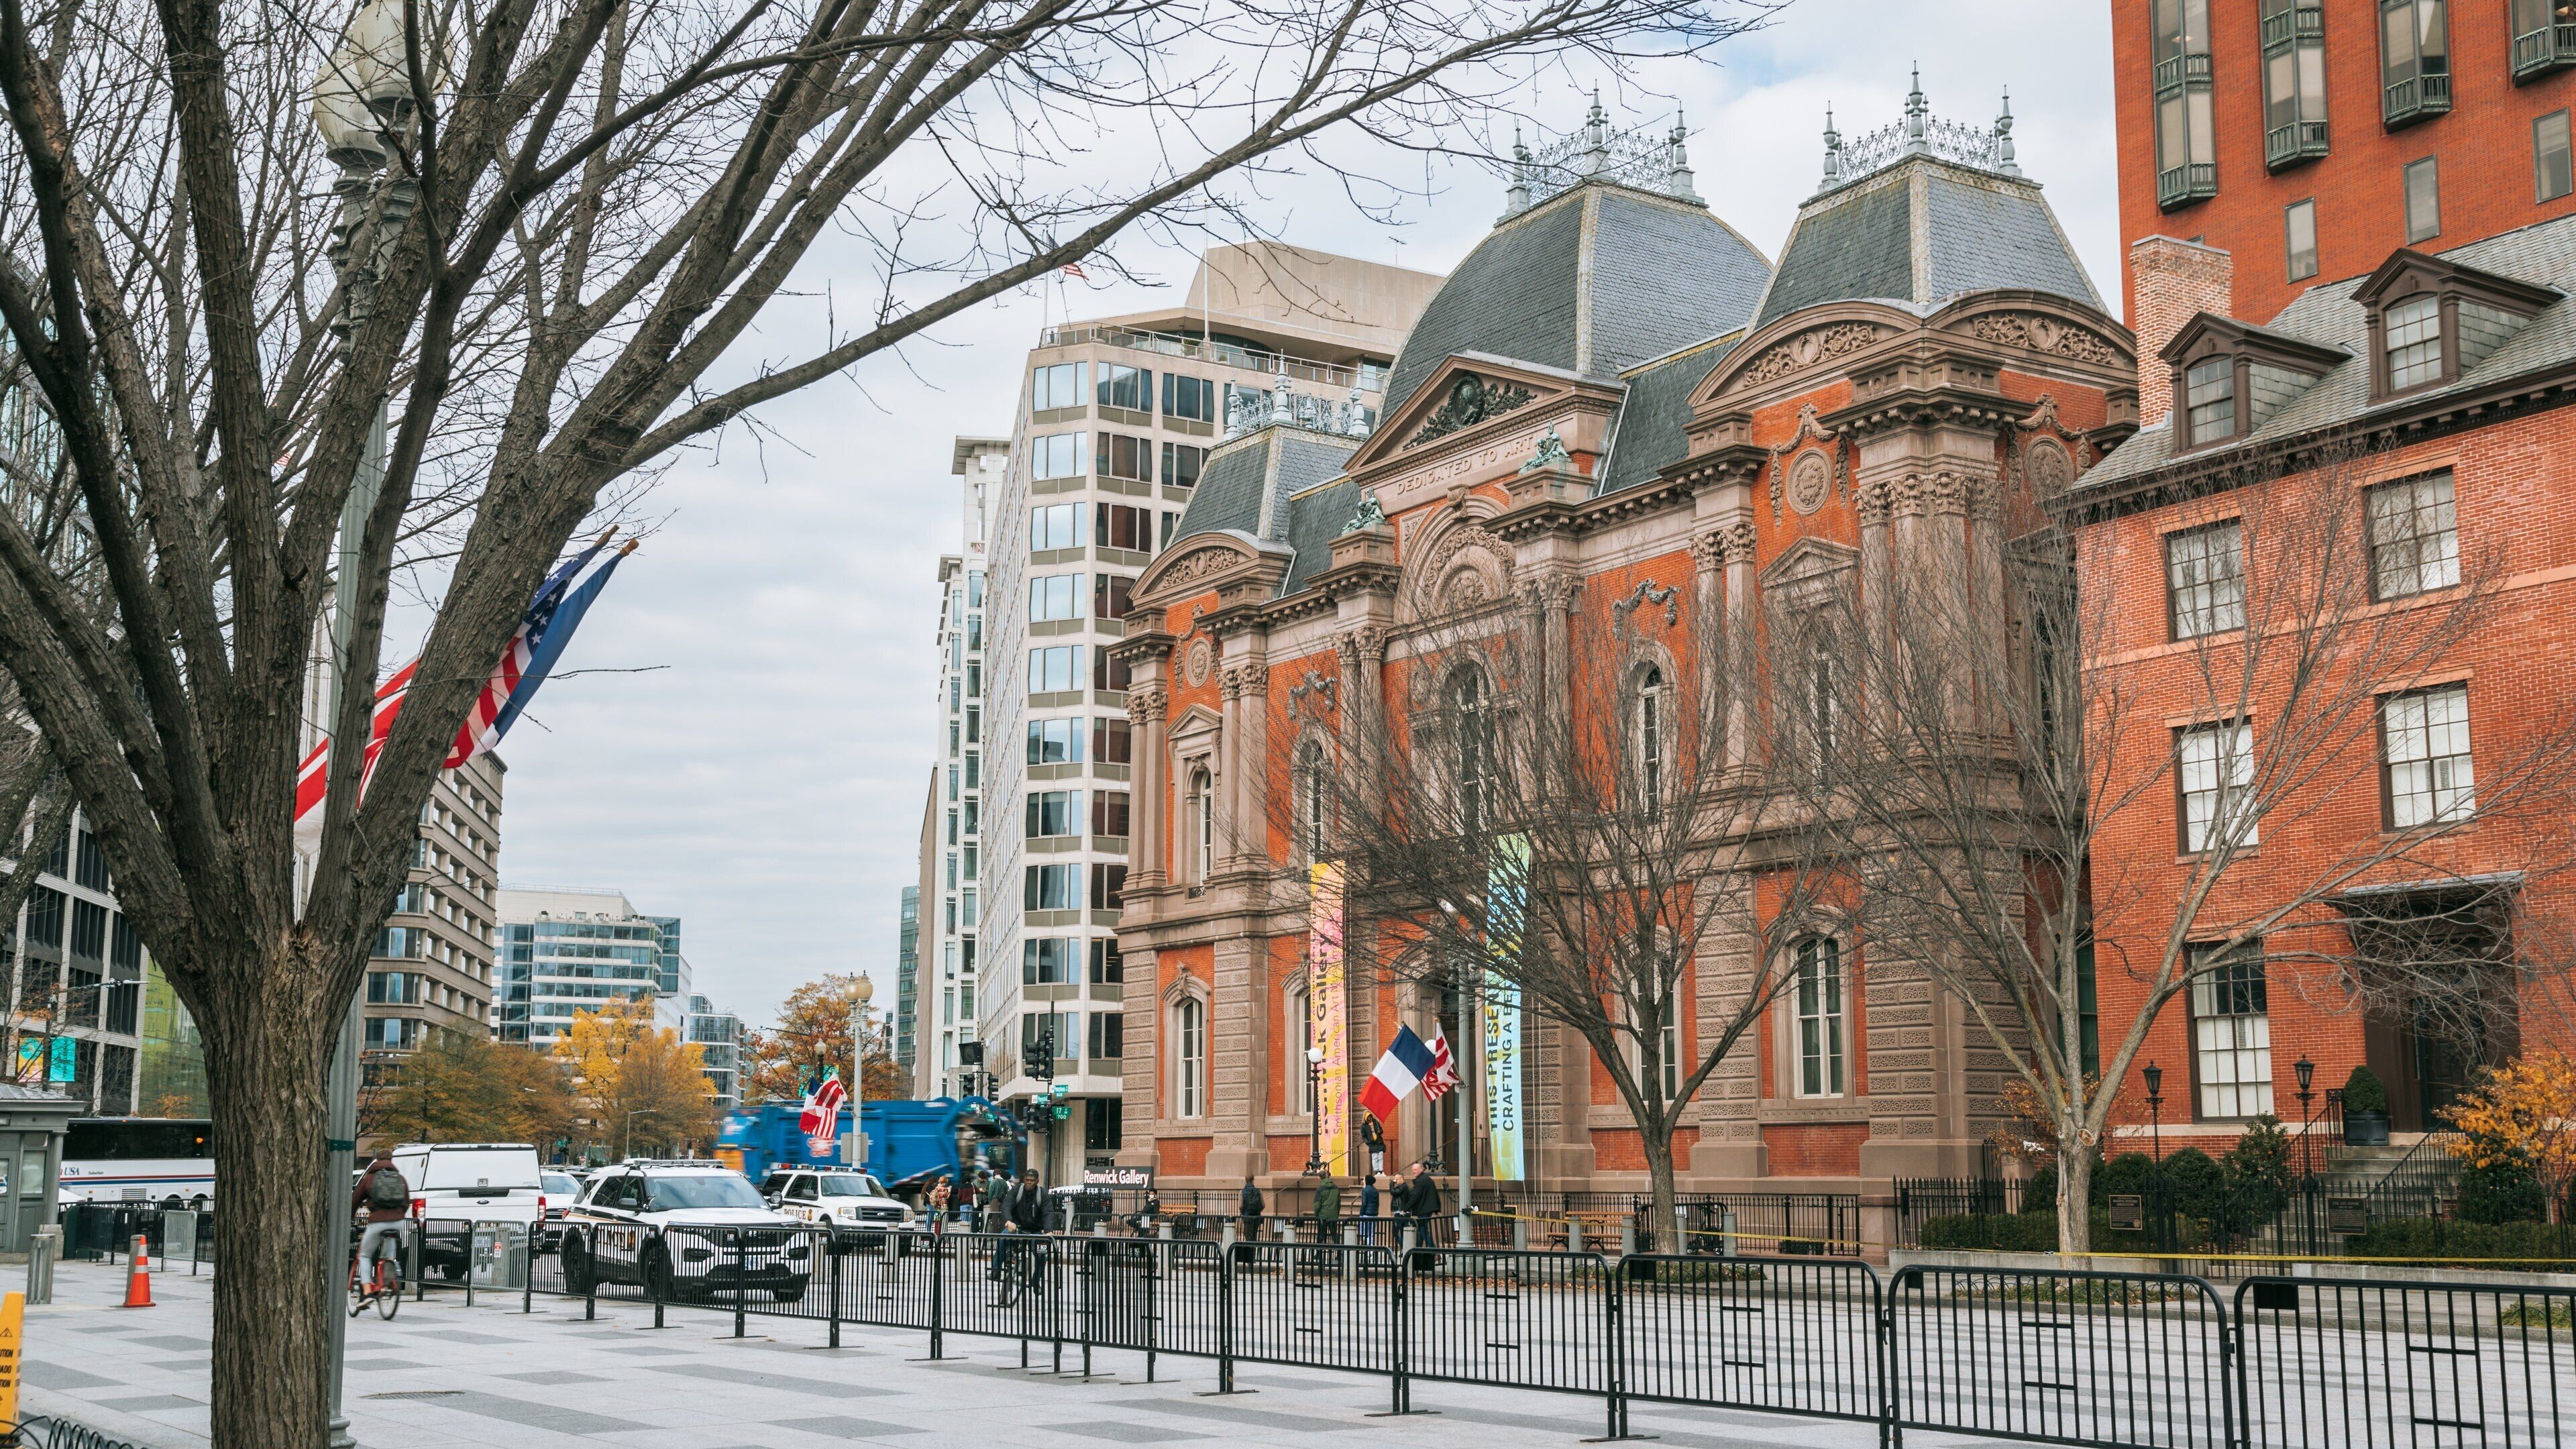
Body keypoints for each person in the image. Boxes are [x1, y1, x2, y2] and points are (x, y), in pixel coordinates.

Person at [350, 1151, 411, 1298]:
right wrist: (399, 1215)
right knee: (388, 1253)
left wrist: (349, 1218)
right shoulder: (400, 1178)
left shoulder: (370, 1178)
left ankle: (367, 1289)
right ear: (391, 1160)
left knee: (365, 1255)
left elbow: (355, 1200)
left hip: (378, 1221)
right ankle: (388, 1278)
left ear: (377, 1160)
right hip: (398, 1221)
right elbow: (406, 1201)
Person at [989, 1169, 1047, 1301]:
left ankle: (1035, 1281)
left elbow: (1048, 1213)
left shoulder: (1042, 1195)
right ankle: (995, 1270)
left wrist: (1048, 1230)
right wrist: (1009, 1221)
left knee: (1042, 1254)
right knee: (1002, 1239)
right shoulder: (1016, 1191)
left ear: (1037, 1181)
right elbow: (1007, 1206)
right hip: (1016, 1227)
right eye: (1027, 1180)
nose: (1029, 1183)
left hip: (1035, 1231)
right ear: (1024, 1180)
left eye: (1032, 1181)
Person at [1238, 1175, 1265, 1242]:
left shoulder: (1242, 1192)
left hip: (1247, 1217)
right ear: (1253, 1181)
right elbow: (1263, 1205)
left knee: (1248, 1236)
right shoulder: (1259, 1191)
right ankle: (1254, 1247)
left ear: (1246, 1181)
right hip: (1257, 1217)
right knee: (1254, 1235)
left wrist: (1243, 1212)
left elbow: (1240, 1206)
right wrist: (1258, 1211)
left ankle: (1249, 1248)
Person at [1313, 1173, 1341, 1239]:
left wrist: (1316, 1215)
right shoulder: (1336, 1188)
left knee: (1321, 1235)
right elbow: (1339, 1203)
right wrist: (1337, 1213)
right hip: (1333, 1215)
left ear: (1319, 1177)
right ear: (1327, 1176)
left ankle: (1321, 1245)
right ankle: (1336, 1245)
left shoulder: (1320, 1189)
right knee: (1334, 1235)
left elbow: (1317, 1204)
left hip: (1322, 1216)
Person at [1357, 1172, 1381, 1246]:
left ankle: (1368, 1246)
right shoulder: (1376, 1190)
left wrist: (1361, 1213)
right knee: (1371, 1233)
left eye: (1364, 1180)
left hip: (1366, 1214)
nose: (1363, 1181)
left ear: (1367, 1181)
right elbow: (1377, 1203)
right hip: (1374, 1214)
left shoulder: (1365, 1190)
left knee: (1363, 1232)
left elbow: (1364, 1203)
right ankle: (1371, 1248)